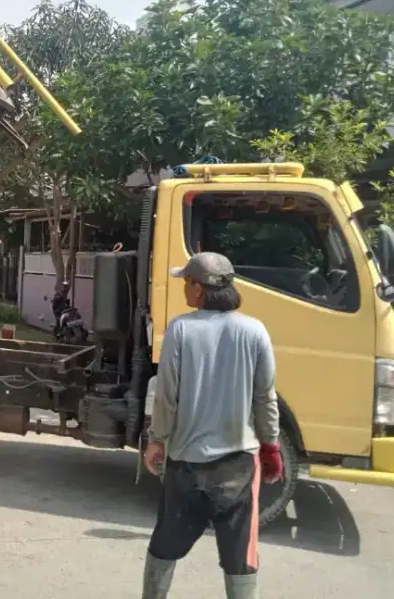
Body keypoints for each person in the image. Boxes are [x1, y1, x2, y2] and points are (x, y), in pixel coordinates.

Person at [141, 251, 282, 599]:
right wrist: (271, 446)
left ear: (200, 289)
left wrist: (157, 440)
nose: (184, 289)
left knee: (166, 543)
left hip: (186, 464)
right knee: (240, 555)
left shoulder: (181, 329)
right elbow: (265, 397)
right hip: (238, 465)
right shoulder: (255, 331)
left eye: (186, 282)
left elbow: (167, 395)